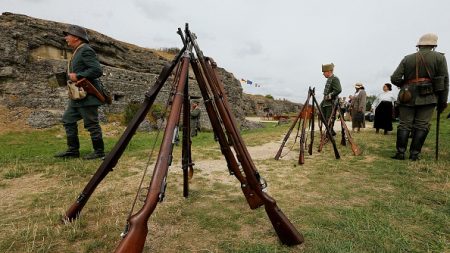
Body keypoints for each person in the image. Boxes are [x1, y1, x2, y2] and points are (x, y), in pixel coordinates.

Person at [391, 33, 449, 161]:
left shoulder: (407, 58)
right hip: (429, 97)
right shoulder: (439, 58)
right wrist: (443, 101)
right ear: (434, 45)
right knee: (422, 125)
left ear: (419, 45)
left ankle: (400, 153)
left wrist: (405, 85)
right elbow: (445, 81)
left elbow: (394, 78)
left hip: (407, 96)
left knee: (404, 125)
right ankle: (414, 155)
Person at [54, 25, 106, 160]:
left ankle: (99, 152)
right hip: (77, 97)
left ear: (76, 37)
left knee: (91, 124)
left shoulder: (85, 50)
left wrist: (77, 75)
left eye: (68, 35)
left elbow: (97, 70)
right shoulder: (77, 51)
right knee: (68, 119)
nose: (66, 38)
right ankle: (73, 150)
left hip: (87, 95)